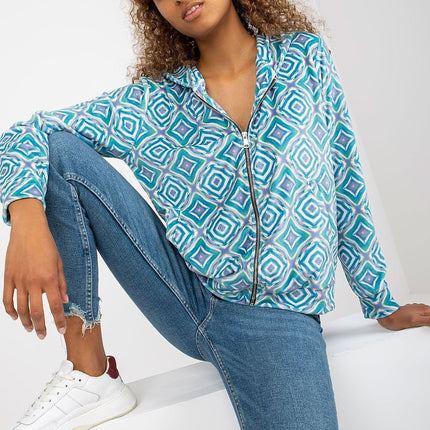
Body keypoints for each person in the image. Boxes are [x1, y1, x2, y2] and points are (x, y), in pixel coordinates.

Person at [1, 0, 430, 429]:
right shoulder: (154, 103)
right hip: (183, 295)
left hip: (276, 317)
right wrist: (27, 220)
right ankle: (90, 371)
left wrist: (379, 301)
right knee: (60, 151)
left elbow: (345, 179)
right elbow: (28, 133)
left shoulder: (304, 60)